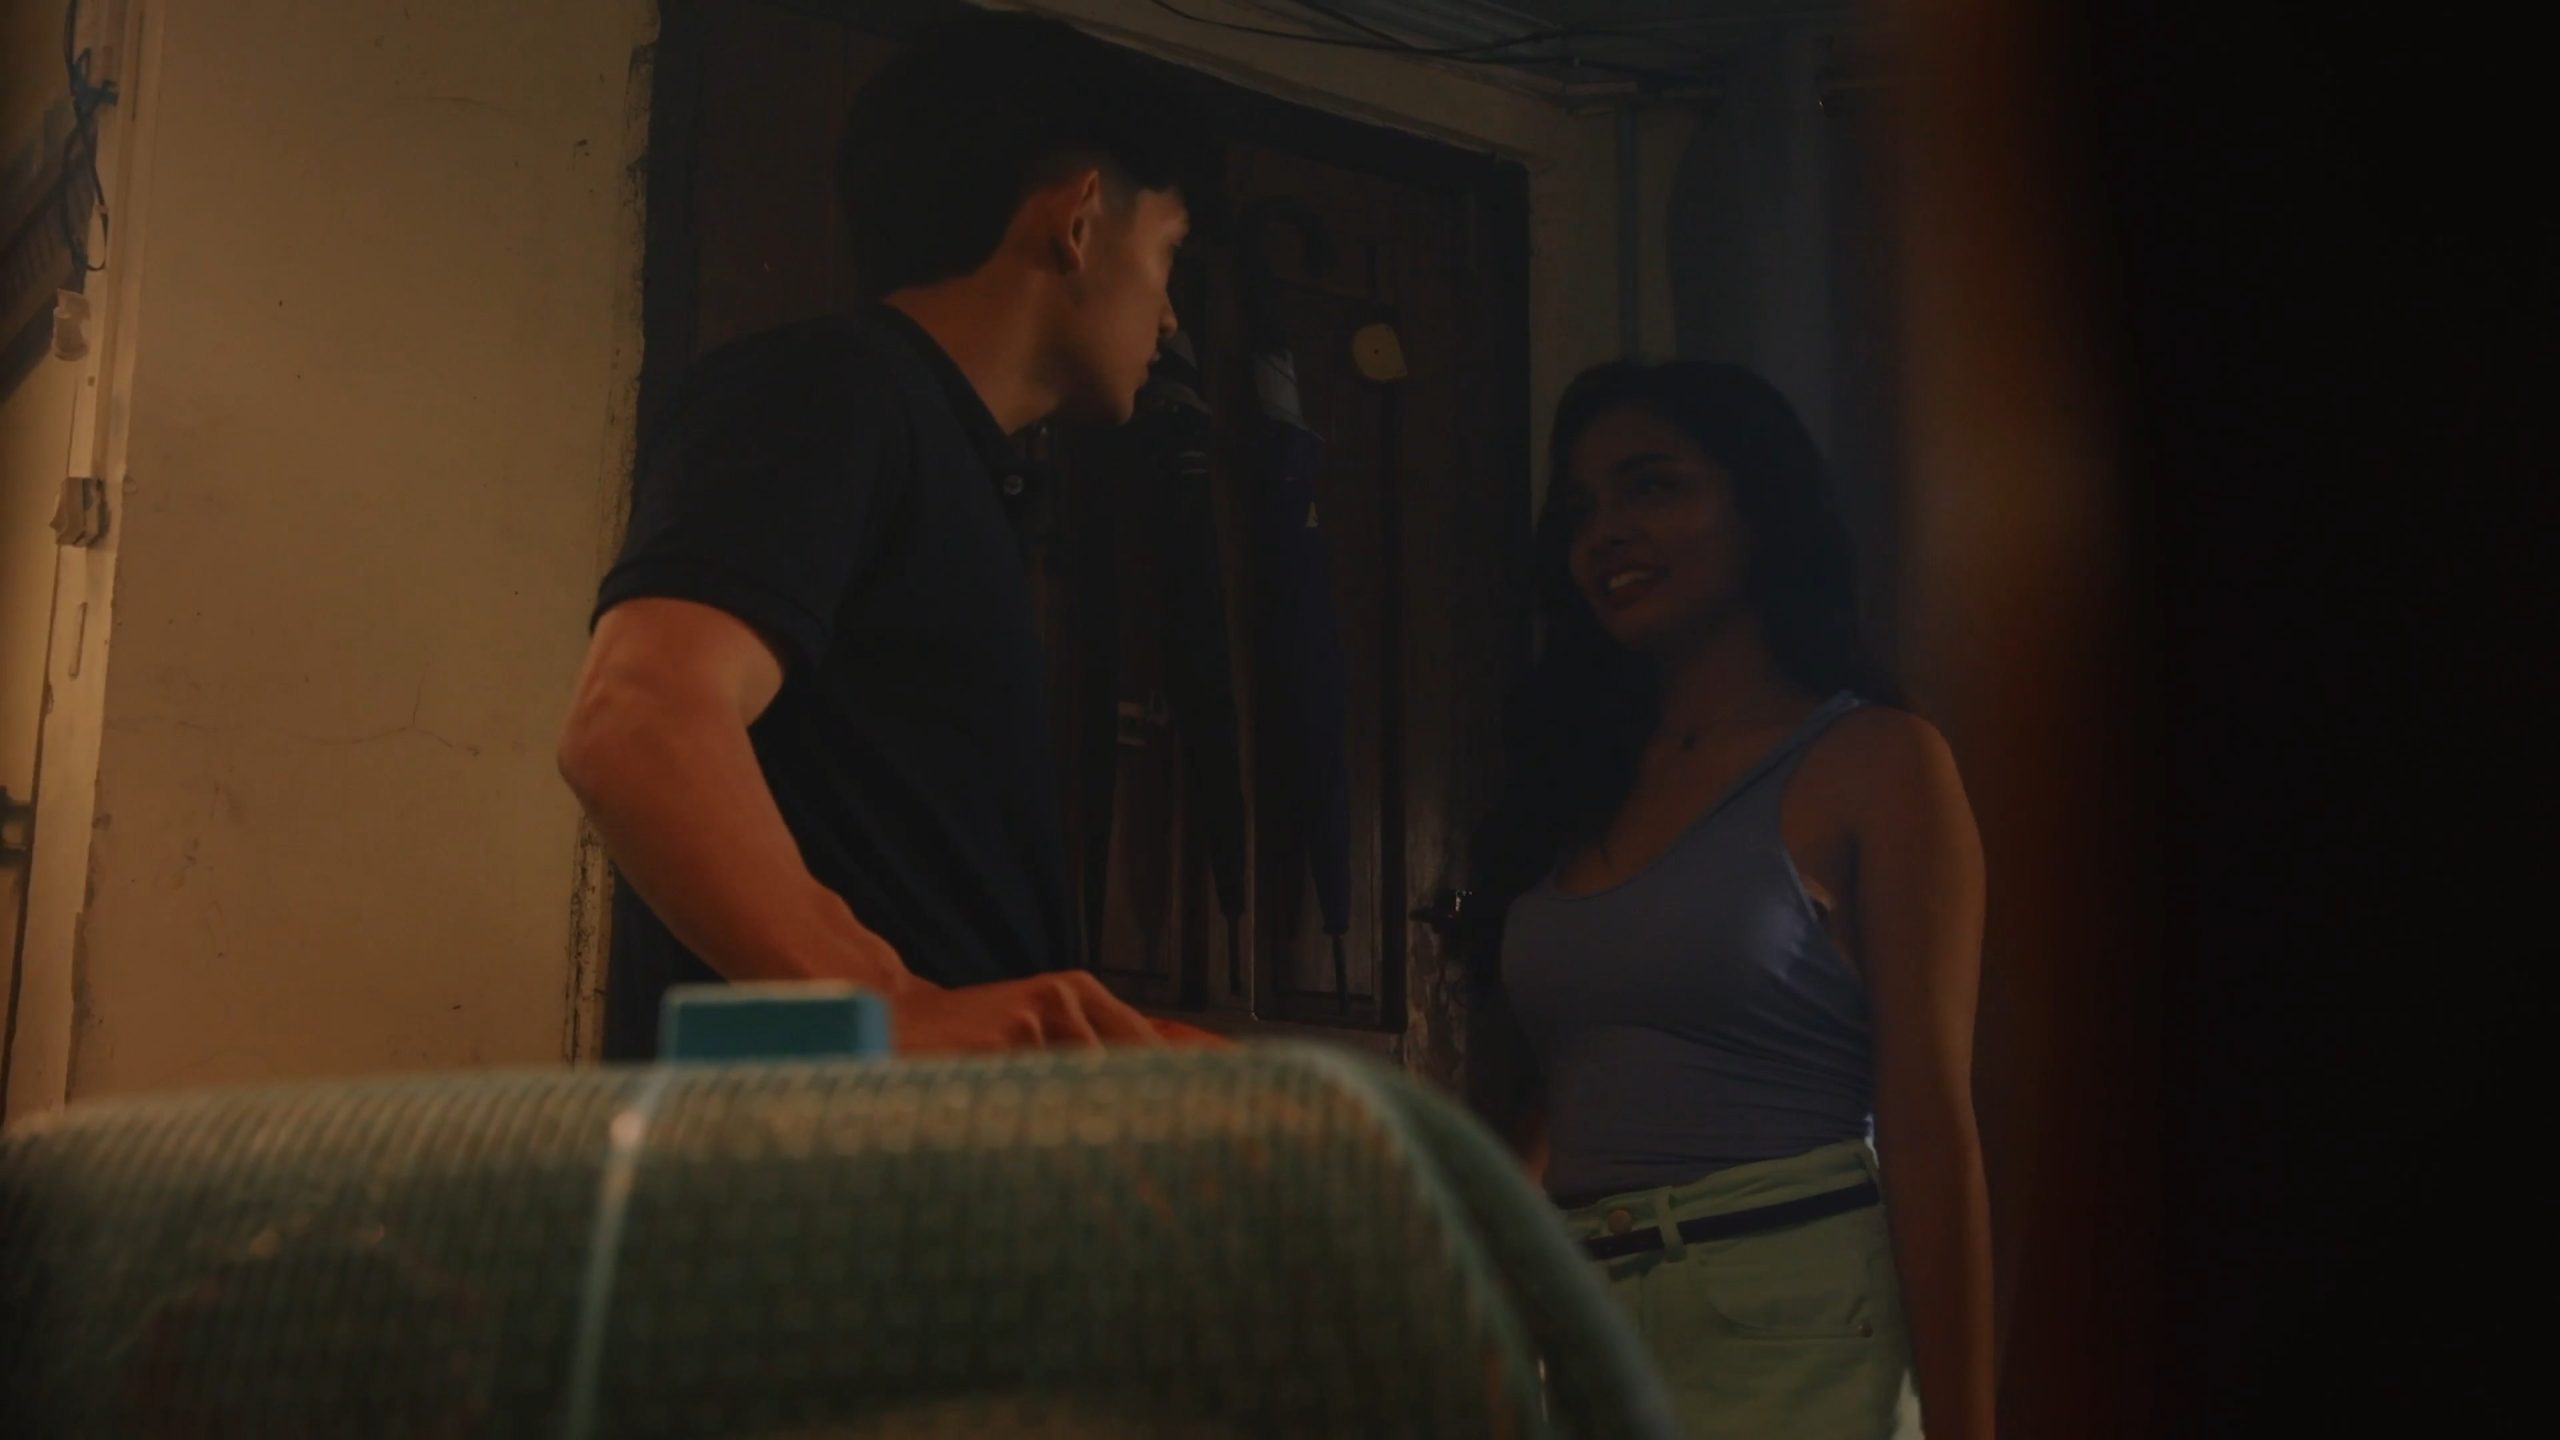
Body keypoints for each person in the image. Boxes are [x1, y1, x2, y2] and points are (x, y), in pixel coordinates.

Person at [557, 12, 1210, 1057]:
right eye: (1168, 253)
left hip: (907, 1148)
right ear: (1081, 218)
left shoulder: (947, 461)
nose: (1171, 319)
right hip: (797, 1157)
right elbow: (638, 716)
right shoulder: (833, 390)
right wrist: (884, 1001)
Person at [1467, 362, 1994, 1438]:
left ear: (1761, 506)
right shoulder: (1574, 783)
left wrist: (1966, 1428)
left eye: (1651, 485)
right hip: (1576, 1319)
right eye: (1581, 511)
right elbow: (1566, 1090)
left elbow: (1928, 1125)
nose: (1606, 532)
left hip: (1793, 1312)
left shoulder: (1878, 761)